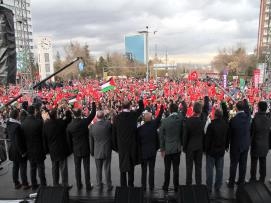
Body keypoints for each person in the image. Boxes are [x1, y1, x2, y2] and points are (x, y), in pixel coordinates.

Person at [112, 99, 144, 187]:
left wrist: (115, 147)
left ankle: (123, 186)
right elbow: (141, 108)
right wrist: (139, 98)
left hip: (121, 146)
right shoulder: (133, 115)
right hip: (132, 145)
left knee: (122, 166)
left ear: (122, 107)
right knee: (131, 166)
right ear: (130, 106)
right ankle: (131, 185)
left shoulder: (117, 118)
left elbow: (113, 133)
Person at [67, 102, 96, 190]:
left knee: (77, 168)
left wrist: (71, 150)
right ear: (80, 113)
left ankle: (79, 185)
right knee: (86, 168)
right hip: (85, 148)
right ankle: (88, 185)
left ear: (74, 114)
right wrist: (93, 105)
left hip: (76, 149)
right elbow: (92, 114)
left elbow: (68, 140)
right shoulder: (84, 122)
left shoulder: (70, 126)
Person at [43, 108, 72, 188]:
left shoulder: (46, 125)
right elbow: (69, 119)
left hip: (52, 149)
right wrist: (67, 111)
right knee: (63, 167)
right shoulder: (60, 122)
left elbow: (44, 138)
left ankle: (55, 183)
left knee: (54, 167)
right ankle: (65, 184)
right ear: (56, 115)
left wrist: (46, 149)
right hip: (62, 148)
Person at [138, 105, 164, 191]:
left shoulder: (140, 129)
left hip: (143, 152)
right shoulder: (154, 125)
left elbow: (138, 141)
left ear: (144, 119)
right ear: (150, 118)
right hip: (152, 152)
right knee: (151, 170)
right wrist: (162, 107)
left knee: (144, 171)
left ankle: (143, 187)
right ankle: (151, 187)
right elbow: (159, 117)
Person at [21, 105, 46, 190]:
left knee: (32, 168)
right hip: (39, 148)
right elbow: (43, 135)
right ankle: (43, 185)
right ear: (35, 111)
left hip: (29, 149)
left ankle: (34, 185)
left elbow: (23, 138)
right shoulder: (39, 122)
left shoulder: (23, 123)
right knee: (41, 168)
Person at [159, 103, 183, 192]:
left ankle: (166, 185)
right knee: (176, 169)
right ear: (177, 110)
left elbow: (161, 136)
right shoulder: (180, 119)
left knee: (167, 169)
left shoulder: (165, 121)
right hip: (177, 148)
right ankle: (176, 186)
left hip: (167, 149)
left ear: (170, 110)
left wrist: (162, 149)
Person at [227, 101, 250, 188]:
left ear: (236, 108)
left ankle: (231, 183)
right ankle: (241, 182)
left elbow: (230, 134)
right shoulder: (248, 117)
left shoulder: (233, 120)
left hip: (235, 145)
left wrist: (227, 145)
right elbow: (247, 109)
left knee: (233, 164)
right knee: (243, 164)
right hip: (245, 145)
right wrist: (245, 101)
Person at [205, 109, 228, 193]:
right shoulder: (225, 125)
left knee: (210, 170)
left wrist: (206, 149)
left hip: (211, 151)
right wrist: (226, 147)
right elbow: (226, 137)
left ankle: (209, 187)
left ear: (215, 115)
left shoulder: (211, 125)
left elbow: (207, 139)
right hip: (221, 150)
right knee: (219, 170)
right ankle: (218, 186)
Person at [6, 109, 30, 190]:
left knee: (15, 167)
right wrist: (22, 152)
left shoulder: (9, 124)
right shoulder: (17, 126)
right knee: (23, 167)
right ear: (16, 115)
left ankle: (16, 183)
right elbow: (18, 141)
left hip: (12, 149)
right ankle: (25, 184)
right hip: (19, 150)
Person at [89, 111, 113, 191]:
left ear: (96, 117)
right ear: (103, 116)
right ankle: (109, 185)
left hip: (97, 150)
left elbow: (91, 141)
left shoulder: (92, 127)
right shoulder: (108, 124)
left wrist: (92, 151)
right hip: (106, 150)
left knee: (98, 170)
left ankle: (99, 185)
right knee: (107, 169)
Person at [183, 102, 205, 186]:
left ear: (193, 109)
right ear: (200, 111)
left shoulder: (188, 121)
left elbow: (185, 136)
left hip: (190, 147)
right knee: (198, 167)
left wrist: (184, 147)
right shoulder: (202, 121)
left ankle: (188, 184)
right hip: (199, 147)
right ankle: (198, 184)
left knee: (189, 167)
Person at [250, 101, 271, 183]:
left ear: (259, 108)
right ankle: (262, 179)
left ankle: (253, 178)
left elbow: (251, 132)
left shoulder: (255, 119)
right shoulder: (268, 120)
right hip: (265, 144)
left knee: (254, 163)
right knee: (263, 162)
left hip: (256, 143)